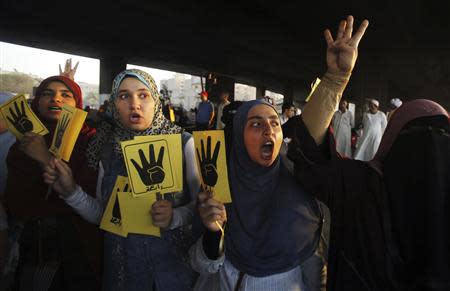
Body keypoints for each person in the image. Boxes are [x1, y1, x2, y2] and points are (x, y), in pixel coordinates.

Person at [286, 15, 450, 291]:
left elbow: (309, 154)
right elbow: (312, 152)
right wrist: (334, 80)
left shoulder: (359, 188)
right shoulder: (361, 186)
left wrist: (334, 80)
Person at [43, 69, 201, 291]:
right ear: (114, 105)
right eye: (124, 96)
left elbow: (204, 206)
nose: (134, 104)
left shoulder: (183, 143)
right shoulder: (106, 150)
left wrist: (175, 217)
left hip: (173, 275)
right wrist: (71, 192)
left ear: (156, 100)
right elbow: (103, 215)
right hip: (123, 274)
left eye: (143, 95)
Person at [190, 99, 329, 291]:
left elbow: (316, 273)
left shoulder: (300, 188)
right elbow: (201, 265)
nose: (269, 130)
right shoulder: (217, 186)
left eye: (275, 123)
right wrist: (214, 233)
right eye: (256, 124)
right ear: (239, 134)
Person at [4, 76, 102, 290]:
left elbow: (100, 205)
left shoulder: (93, 141)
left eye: (65, 95)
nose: (55, 99)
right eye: (47, 93)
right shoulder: (21, 146)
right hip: (37, 247)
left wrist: (44, 158)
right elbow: (15, 204)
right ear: (37, 101)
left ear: (77, 103)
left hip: (82, 247)